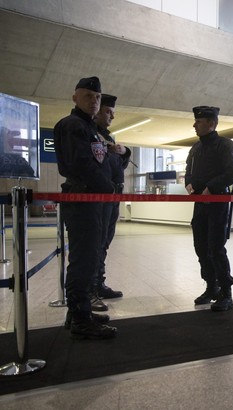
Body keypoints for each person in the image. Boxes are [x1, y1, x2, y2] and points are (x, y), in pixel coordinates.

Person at [54, 76, 118, 339]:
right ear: (75, 98)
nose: (94, 101)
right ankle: (81, 319)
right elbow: (82, 165)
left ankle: (78, 312)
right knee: (83, 259)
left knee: (89, 257)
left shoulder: (89, 128)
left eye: (97, 97)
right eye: (88, 96)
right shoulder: (72, 126)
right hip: (83, 200)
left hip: (93, 201)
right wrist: (109, 187)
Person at [186, 106, 233, 312]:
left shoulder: (226, 145)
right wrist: (189, 184)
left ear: (211, 123)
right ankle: (211, 286)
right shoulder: (195, 149)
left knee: (216, 248)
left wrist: (212, 187)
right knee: (201, 247)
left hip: (218, 203)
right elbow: (188, 172)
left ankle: (226, 293)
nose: (195, 125)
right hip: (200, 204)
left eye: (199, 122)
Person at [92, 94, 131, 306]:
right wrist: (108, 150)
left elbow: (118, 167)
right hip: (100, 197)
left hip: (113, 196)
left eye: (113, 113)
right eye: (108, 111)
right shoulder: (91, 134)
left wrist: (124, 152)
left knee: (104, 242)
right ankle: (92, 287)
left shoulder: (108, 136)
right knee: (96, 243)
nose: (111, 116)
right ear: (97, 110)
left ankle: (98, 283)